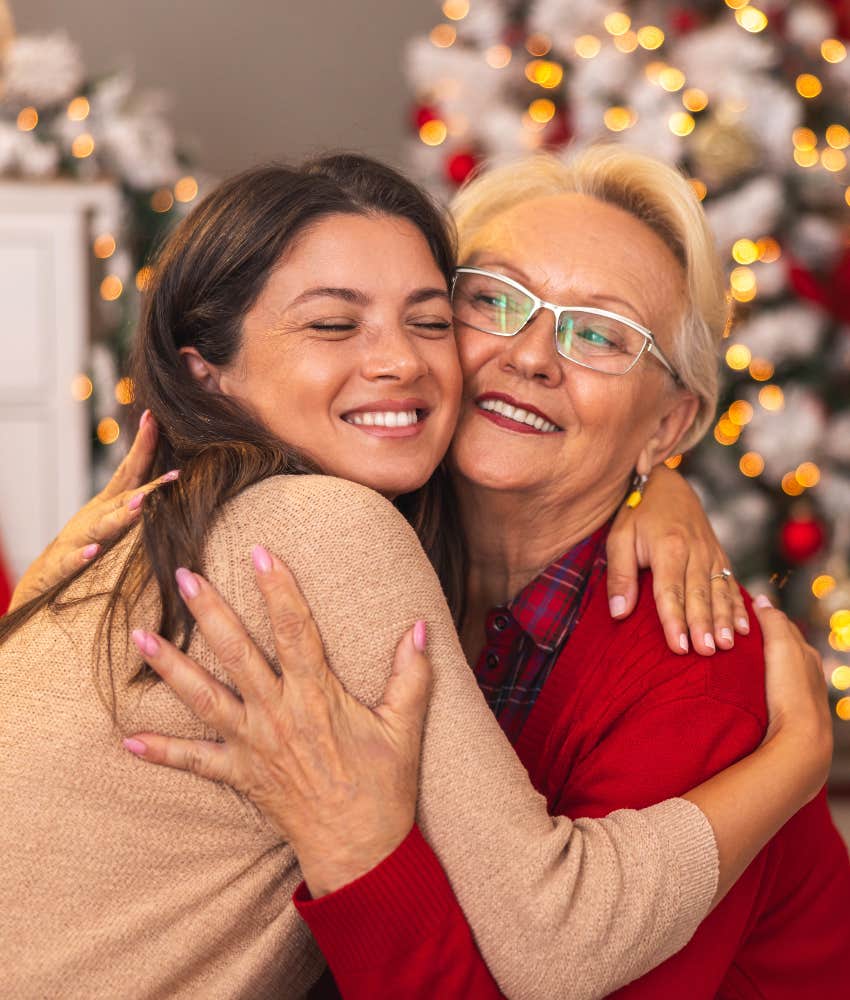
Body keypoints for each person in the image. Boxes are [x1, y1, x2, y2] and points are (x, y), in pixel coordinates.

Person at [0, 153, 833, 1000]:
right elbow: (560, 933)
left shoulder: (692, 665)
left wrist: (361, 858)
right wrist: (797, 761)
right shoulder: (332, 532)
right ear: (206, 367)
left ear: (669, 424)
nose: (530, 356)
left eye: (601, 335)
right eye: (491, 302)